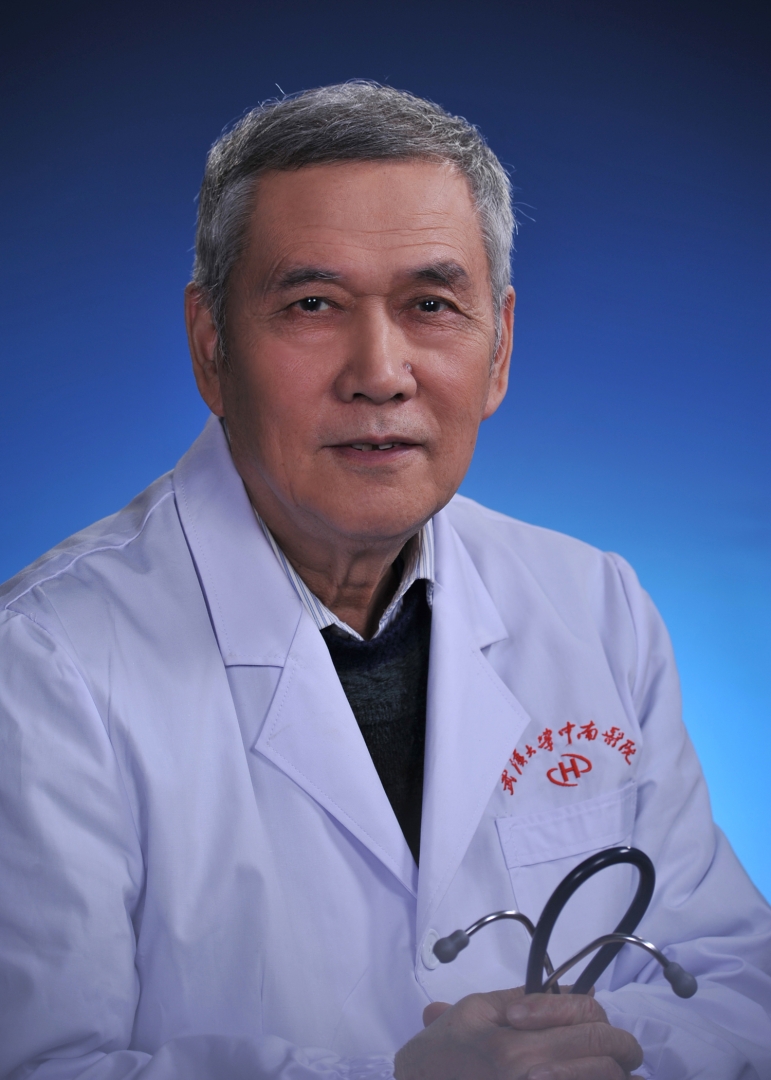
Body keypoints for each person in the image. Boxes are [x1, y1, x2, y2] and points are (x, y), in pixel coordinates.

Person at [0, 82, 769, 1080]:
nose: (379, 371)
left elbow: (733, 979)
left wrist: (604, 1058)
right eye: (312, 305)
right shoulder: (43, 660)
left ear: (499, 350)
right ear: (210, 346)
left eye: (430, 306)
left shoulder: (594, 605)